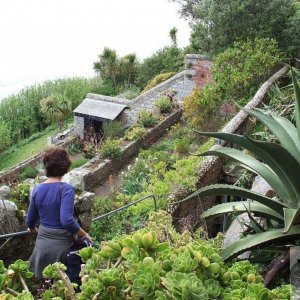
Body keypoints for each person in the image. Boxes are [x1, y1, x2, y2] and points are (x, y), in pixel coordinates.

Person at [26, 145, 91, 278]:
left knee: (46, 284)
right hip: (62, 249)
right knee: (63, 285)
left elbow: (30, 221)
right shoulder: (66, 189)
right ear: (65, 168)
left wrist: (33, 230)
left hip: (42, 246)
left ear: (46, 167)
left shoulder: (37, 189)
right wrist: (85, 235)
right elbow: (66, 220)